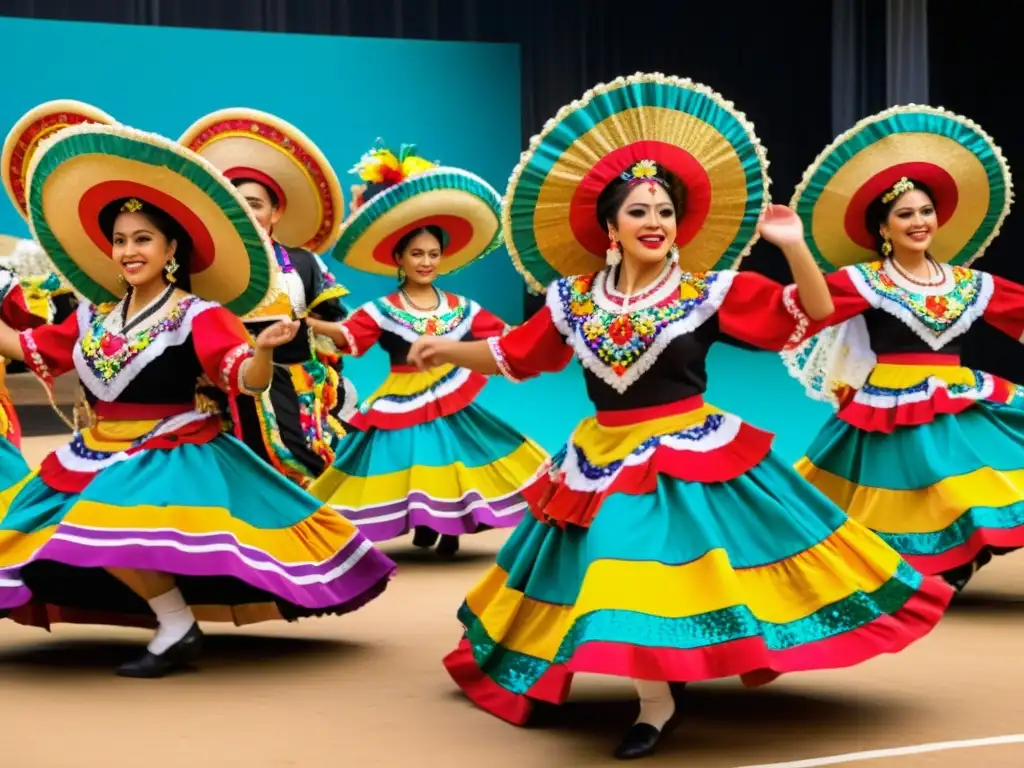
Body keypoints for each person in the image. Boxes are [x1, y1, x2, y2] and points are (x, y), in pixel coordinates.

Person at [406, 73, 954, 760]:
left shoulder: (708, 290)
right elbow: (516, 356)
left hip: (685, 451)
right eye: (639, 211)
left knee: (635, 560)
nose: (655, 223)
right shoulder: (573, 299)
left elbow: (813, 313)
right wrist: (441, 349)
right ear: (610, 227)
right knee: (613, 564)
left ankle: (656, 703)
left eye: (665, 210)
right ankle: (658, 696)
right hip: (601, 454)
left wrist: (789, 244)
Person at [0, 120, 396, 678]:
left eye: (142, 239)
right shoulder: (91, 314)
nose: (128, 250)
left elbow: (244, 379)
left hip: (168, 448)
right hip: (95, 448)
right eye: (119, 240)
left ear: (170, 250)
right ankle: (170, 621)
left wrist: (260, 351)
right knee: (24, 526)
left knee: (106, 520)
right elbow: (28, 346)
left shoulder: (199, 314)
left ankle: (176, 624)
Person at [780, 104, 1024, 592]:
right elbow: (815, 308)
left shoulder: (968, 284)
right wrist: (793, 247)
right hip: (888, 405)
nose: (919, 221)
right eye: (905, 214)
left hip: (956, 399)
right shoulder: (865, 280)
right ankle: (939, 566)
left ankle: (962, 555)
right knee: (911, 495)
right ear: (883, 230)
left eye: (926, 211)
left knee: (965, 486)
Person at [304, 141, 550, 558]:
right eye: (416, 254)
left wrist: (553, 323)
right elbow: (348, 336)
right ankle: (423, 518)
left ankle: (448, 524)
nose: (425, 262)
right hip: (399, 397)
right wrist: (307, 324)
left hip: (451, 398)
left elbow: (507, 337)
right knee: (411, 460)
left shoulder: (462, 308)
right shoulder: (382, 310)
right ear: (398, 258)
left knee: (451, 456)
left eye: (434, 254)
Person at [179, 108, 356, 487]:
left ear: (276, 212)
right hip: (223, 390)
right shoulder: (200, 268)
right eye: (236, 205)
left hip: (294, 394)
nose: (246, 214)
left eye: (255, 205)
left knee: (307, 469)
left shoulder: (303, 263)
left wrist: (313, 343)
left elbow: (335, 326)